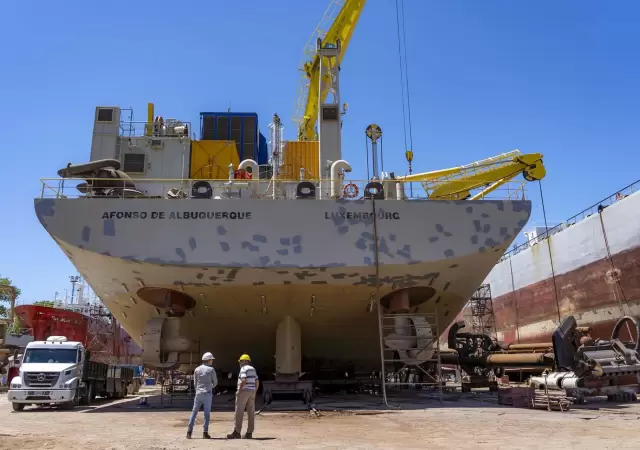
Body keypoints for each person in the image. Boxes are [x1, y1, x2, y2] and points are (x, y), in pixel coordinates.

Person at [227, 354, 259, 439]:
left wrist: (239, 391)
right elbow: (257, 381)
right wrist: (254, 391)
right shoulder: (253, 369)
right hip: (252, 392)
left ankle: (237, 432)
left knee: (239, 412)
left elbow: (243, 380)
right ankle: (249, 433)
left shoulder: (243, 368)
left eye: (240, 361)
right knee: (251, 412)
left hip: (244, 392)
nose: (240, 363)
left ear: (245, 361)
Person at [187, 352, 218, 439]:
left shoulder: (197, 369)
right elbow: (215, 382)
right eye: (211, 359)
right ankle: (205, 433)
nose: (212, 361)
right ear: (208, 360)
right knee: (207, 414)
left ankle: (189, 432)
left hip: (198, 393)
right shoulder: (211, 370)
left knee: (194, 412)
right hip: (207, 393)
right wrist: (210, 387)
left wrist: (198, 390)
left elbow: (195, 383)